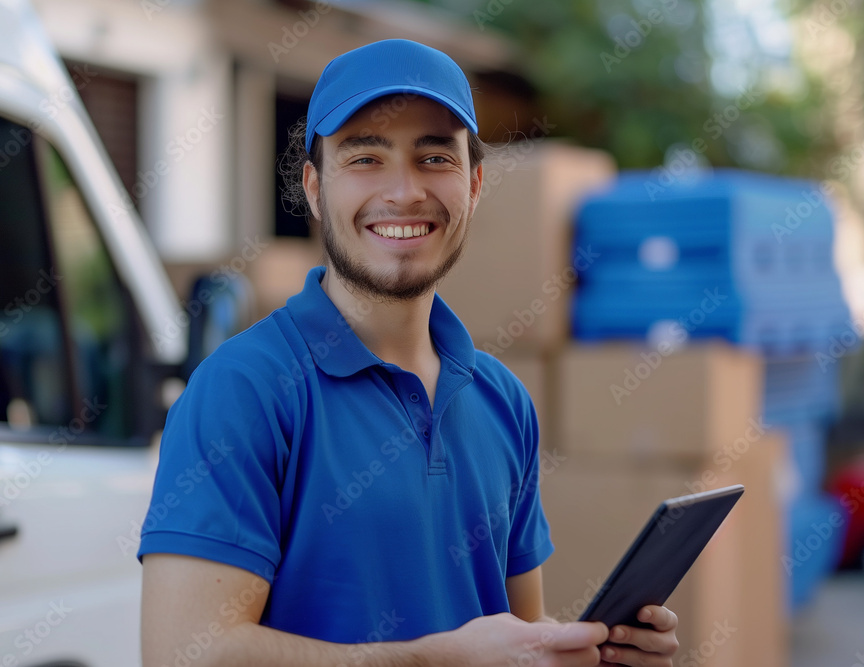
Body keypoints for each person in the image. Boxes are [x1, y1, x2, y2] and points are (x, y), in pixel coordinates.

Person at [139, 38, 679, 666]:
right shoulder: (242, 389)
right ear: (314, 188)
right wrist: (436, 661)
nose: (403, 191)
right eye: (366, 157)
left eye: (434, 158)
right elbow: (183, 654)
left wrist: (590, 651)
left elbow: (514, 639)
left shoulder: (502, 400)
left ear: (474, 185)